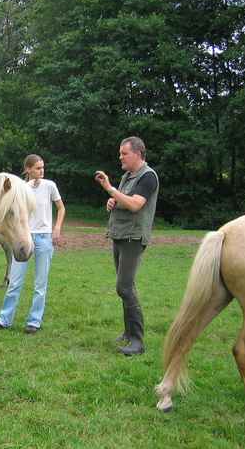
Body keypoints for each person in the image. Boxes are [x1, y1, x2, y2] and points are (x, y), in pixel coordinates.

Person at [94, 136, 159, 356]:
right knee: (125, 287)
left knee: (124, 287)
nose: (120, 157)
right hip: (120, 235)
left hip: (133, 237)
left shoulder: (148, 177)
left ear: (138, 154)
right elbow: (123, 200)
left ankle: (138, 341)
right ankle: (128, 333)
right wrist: (111, 201)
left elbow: (135, 204)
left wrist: (110, 189)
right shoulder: (127, 176)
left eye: (124, 153)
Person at [0, 154, 66, 334]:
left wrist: (57, 229)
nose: (42, 171)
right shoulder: (20, 189)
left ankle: (34, 321)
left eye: (43, 167)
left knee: (40, 283)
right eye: (38, 168)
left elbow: (61, 208)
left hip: (44, 238)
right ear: (28, 169)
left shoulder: (49, 186)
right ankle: (4, 319)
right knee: (15, 281)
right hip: (25, 237)